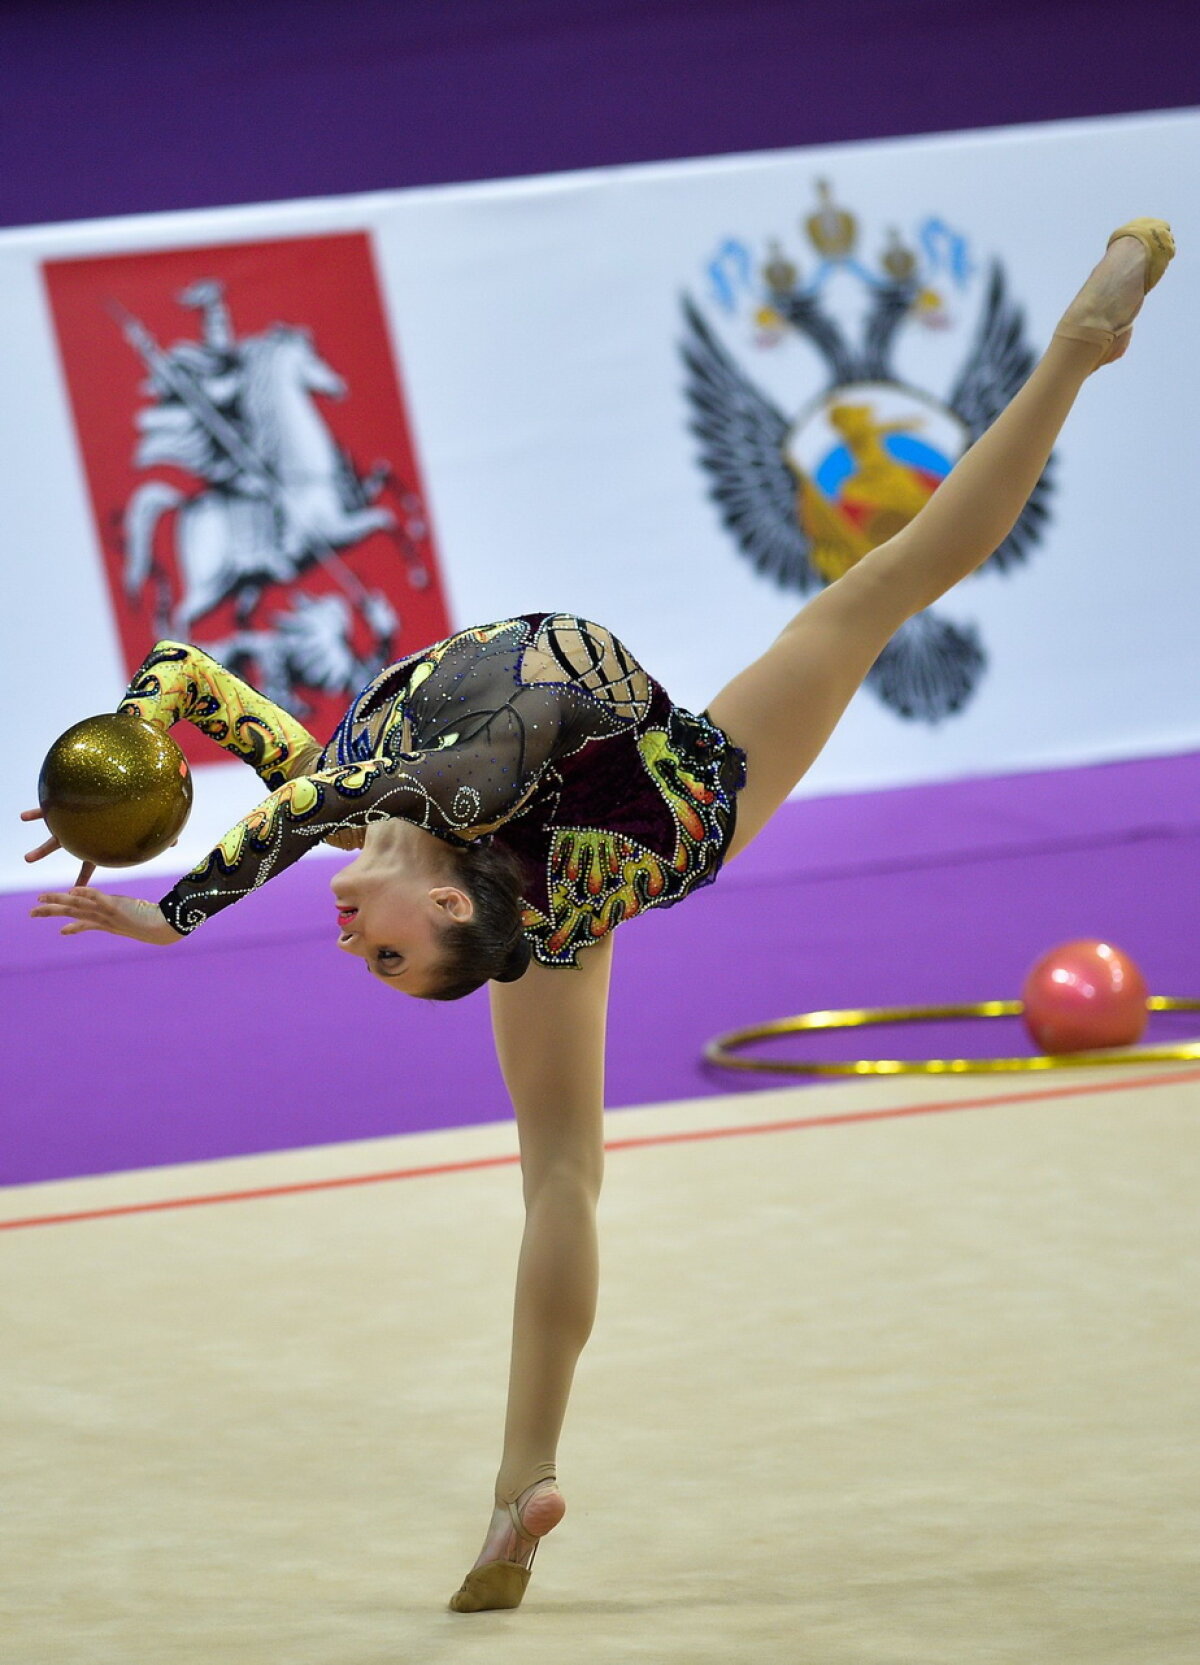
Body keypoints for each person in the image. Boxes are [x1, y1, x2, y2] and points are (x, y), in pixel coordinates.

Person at [24, 220, 1175, 1611]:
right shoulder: (417, 801)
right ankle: (1075, 351)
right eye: (389, 953)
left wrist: (124, 761)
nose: (349, 943)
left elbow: (185, 668)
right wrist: (182, 911)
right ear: (450, 894)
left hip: (560, 773)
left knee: (558, 1164)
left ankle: (519, 1484)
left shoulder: (360, 805)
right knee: (883, 589)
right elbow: (328, 794)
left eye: (369, 958)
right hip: (675, 790)